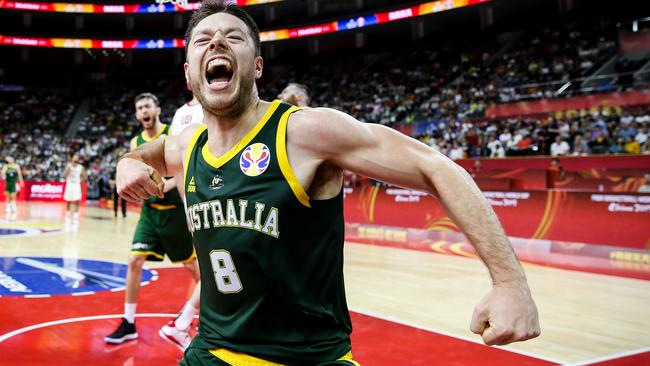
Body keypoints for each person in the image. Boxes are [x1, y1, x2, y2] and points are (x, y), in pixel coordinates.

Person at [116, 2, 540, 364]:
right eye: (204, 39)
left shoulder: (303, 132)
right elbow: (145, 153)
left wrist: (509, 282)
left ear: (258, 66)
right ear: (190, 74)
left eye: (234, 36)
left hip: (307, 357)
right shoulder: (189, 144)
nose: (218, 43)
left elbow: (436, 167)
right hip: (211, 350)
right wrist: (126, 162)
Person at [105, 93, 200, 352]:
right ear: (136, 115)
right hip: (149, 213)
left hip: (174, 212)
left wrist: (159, 184)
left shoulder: (173, 133)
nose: (144, 111)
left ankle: (195, 316)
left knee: (197, 270)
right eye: (139, 108)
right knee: (135, 260)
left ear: (157, 109)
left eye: (147, 106)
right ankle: (128, 321)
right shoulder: (136, 142)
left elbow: (183, 169)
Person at [158, 93, 206, 349]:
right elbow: (176, 163)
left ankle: (189, 322)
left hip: (217, 195)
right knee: (216, 268)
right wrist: (188, 204)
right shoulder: (180, 115)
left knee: (214, 269)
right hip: (203, 200)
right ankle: (181, 324)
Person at [62, 154, 86, 224]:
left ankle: (76, 216)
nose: (75, 160)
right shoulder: (68, 166)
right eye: (74, 159)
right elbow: (63, 175)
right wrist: (68, 170)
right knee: (68, 200)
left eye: (76, 159)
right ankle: (68, 214)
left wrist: (81, 180)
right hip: (69, 184)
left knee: (76, 201)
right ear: (72, 159)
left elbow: (84, 176)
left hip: (76, 185)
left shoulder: (80, 167)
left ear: (78, 160)